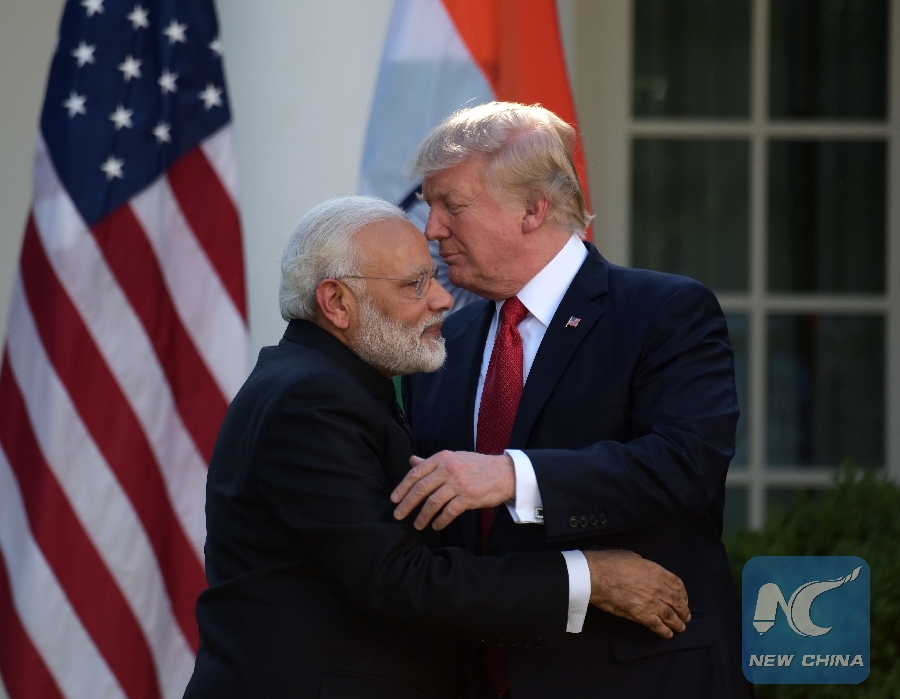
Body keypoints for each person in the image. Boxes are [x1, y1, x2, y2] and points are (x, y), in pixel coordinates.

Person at [182, 196, 691, 699]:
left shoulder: (332, 384)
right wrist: (590, 577)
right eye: (415, 285)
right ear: (336, 302)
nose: (443, 300)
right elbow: (398, 579)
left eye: (435, 278)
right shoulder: (311, 399)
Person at [393, 103, 752, 699]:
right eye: (429, 207)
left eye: (451, 205)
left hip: (636, 678)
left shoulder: (663, 312)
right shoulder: (446, 342)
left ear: (534, 209)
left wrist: (513, 476)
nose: (432, 229)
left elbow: (686, 464)